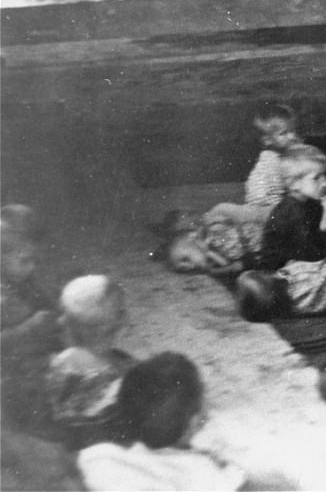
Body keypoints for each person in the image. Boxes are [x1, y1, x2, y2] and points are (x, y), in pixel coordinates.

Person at [76, 352, 245, 491]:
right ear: (194, 423)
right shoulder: (201, 471)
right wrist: (230, 471)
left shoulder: (100, 456)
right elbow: (231, 480)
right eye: (203, 392)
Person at [234, 144, 326, 321]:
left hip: (304, 255)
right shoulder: (292, 211)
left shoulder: (308, 202)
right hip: (286, 273)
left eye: (324, 175)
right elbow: (314, 253)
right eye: (317, 178)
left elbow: (324, 233)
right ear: (293, 184)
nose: (325, 182)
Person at [191, 104, 303, 272]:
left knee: (226, 213)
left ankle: (210, 237)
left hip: (267, 208)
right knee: (224, 211)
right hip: (266, 209)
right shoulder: (276, 159)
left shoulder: (276, 154)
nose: (292, 136)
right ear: (267, 140)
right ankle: (209, 237)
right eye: (284, 133)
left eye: (293, 131)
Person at [46, 276, 137, 449]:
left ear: (68, 325)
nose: (59, 320)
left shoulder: (64, 363)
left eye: (63, 314)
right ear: (120, 322)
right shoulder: (127, 365)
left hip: (82, 448)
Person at [0, 205, 63, 432]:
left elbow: (46, 302)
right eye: (26, 261)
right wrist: (28, 328)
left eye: (35, 260)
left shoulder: (22, 277)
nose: (32, 268)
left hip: (33, 353)